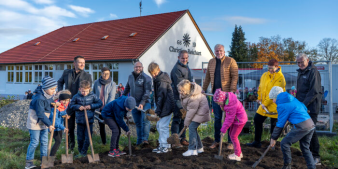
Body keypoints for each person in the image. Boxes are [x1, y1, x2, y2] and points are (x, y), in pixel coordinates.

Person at [202, 44, 238, 149]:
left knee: (229, 118)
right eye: (217, 51)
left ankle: (230, 142)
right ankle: (217, 140)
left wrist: (231, 91)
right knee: (217, 118)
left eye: (220, 50)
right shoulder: (211, 62)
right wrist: (203, 88)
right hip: (215, 95)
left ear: (224, 51)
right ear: (214, 51)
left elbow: (235, 76)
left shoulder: (230, 61)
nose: (219, 52)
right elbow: (208, 76)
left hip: (227, 95)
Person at [269, 86, 316, 169]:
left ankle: (287, 166)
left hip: (301, 126)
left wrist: (273, 138)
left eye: (273, 98)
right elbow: (304, 108)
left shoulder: (281, 105)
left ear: (276, 97)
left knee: (284, 143)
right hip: (310, 124)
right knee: (305, 148)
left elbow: (280, 124)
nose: (273, 101)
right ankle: (312, 167)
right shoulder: (292, 98)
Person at [247, 59, 286, 148]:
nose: (270, 70)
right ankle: (257, 142)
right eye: (268, 68)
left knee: (274, 126)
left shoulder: (280, 78)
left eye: (271, 68)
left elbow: (274, 94)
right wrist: (259, 99)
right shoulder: (264, 75)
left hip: (275, 104)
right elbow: (260, 88)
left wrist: (264, 103)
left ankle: (272, 145)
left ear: (277, 67)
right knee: (257, 119)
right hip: (263, 104)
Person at [58, 55, 92, 151]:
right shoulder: (66, 72)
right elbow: (60, 82)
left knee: (82, 127)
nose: (82, 64)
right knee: (70, 126)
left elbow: (89, 90)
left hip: (80, 105)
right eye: (80, 62)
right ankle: (70, 147)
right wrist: (61, 91)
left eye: (84, 63)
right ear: (74, 63)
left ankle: (82, 148)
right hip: (68, 104)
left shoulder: (87, 76)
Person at [25, 76, 57, 169]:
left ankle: (44, 161)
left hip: (44, 122)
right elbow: (40, 114)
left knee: (44, 141)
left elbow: (49, 101)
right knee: (34, 142)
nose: (54, 91)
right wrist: (50, 125)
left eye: (55, 89)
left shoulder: (47, 95)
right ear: (46, 88)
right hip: (35, 122)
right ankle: (29, 162)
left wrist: (54, 103)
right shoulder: (38, 98)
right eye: (52, 89)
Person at [296, 53, 322, 165]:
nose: (300, 64)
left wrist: (303, 105)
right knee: (304, 130)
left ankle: (316, 156)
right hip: (303, 106)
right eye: (298, 62)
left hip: (311, 106)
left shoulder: (313, 72)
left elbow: (314, 91)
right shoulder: (301, 72)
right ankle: (307, 152)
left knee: (311, 130)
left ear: (308, 60)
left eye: (302, 62)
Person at [177, 80, 210, 156]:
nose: (180, 92)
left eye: (182, 91)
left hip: (200, 113)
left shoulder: (193, 97)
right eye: (179, 90)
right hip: (196, 112)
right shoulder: (186, 95)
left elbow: (191, 111)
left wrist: (186, 122)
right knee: (193, 128)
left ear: (187, 90)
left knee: (191, 128)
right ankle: (199, 148)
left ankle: (192, 149)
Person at [70, 80, 102, 157]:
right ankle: (80, 151)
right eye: (83, 91)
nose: (84, 93)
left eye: (86, 91)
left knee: (88, 138)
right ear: (79, 89)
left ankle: (84, 152)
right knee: (80, 138)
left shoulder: (93, 96)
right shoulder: (76, 96)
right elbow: (71, 105)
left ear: (89, 89)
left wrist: (91, 106)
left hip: (89, 120)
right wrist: (78, 107)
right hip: (80, 121)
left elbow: (100, 103)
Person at [213, 89, 248, 161]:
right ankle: (238, 152)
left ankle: (238, 155)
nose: (219, 105)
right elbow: (224, 106)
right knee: (232, 135)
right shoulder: (227, 98)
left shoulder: (231, 104)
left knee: (234, 136)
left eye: (219, 103)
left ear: (222, 100)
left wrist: (223, 130)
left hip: (239, 120)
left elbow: (229, 119)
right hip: (237, 119)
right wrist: (222, 106)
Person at [123, 62, 152, 146]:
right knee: (138, 123)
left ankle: (145, 140)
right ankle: (139, 141)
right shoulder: (130, 77)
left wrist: (142, 103)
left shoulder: (146, 78)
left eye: (139, 67)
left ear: (142, 67)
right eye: (136, 67)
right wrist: (122, 98)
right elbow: (127, 88)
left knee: (145, 121)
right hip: (134, 104)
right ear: (133, 68)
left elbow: (147, 92)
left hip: (145, 103)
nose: (138, 68)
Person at [148, 62, 175, 153]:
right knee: (159, 125)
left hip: (167, 105)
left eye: (155, 73)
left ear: (158, 69)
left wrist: (158, 111)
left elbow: (161, 97)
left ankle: (165, 146)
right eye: (152, 74)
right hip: (164, 105)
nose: (154, 75)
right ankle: (162, 145)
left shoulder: (161, 80)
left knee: (163, 126)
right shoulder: (158, 79)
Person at [170, 50, 193, 147]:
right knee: (177, 118)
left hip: (185, 97)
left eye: (186, 58)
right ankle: (175, 140)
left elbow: (190, 81)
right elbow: (181, 86)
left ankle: (183, 138)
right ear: (178, 58)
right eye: (183, 58)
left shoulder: (187, 67)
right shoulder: (176, 69)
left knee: (184, 118)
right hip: (178, 98)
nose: (185, 60)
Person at [92, 67, 116, 145]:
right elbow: (94, 95)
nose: (105, 75)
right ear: (101, 73)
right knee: (101, 126)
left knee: (112, 125)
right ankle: (104, 143)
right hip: (99, 109)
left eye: (107, 74)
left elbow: (111, 98)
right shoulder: (96, 83)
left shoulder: (113, 84)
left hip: (108, 109)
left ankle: (114, 143)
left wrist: (106, 109)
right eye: (104, 73)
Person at [49, 90, 71, 156]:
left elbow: (61, 113)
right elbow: (54, 121)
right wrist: (63, 127)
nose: (65, 102)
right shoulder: (55, 107)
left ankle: (53, 155)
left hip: (59, 127)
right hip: (54, 127)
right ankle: (51, 156)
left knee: (59, 141)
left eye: (67, 100)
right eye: (64, 100)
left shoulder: (63, 106)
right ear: (60, 99)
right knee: (58, 141)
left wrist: (66, 114)